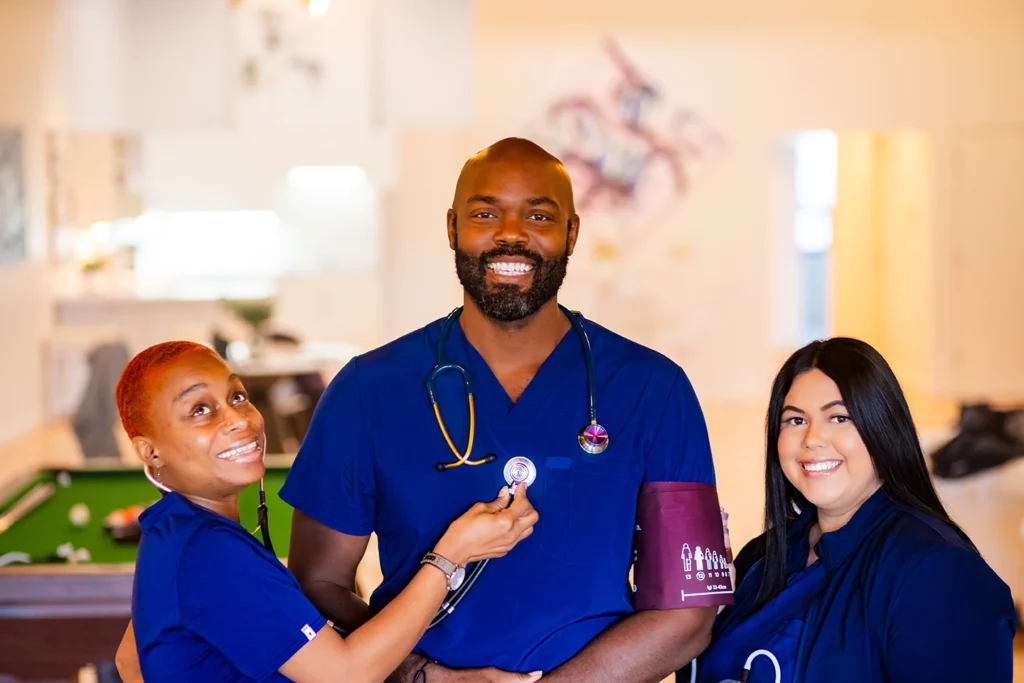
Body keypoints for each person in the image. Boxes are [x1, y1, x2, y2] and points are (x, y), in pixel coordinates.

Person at [280, 137, 733, 683]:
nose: (511, 233)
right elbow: (316, 587)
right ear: (452, 228)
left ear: (571, 233)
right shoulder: (367, 390)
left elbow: (689, 611)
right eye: (485, 213)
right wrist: (425, 677)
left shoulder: (654, 389)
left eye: (539, 215)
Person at [111, 341, 539, 683]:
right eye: (199, 410)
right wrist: (452, 555)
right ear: (151, 453)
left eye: (237, 396)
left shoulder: (169, 527)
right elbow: (347, 674)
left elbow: (131, 660)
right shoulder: (212, 553)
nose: (238, 419)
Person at [695, 337, 1017, 683]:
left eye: (838, 417)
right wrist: (698, 614)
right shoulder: (759, 558)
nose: (813, 439)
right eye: (795, 421)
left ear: (883, 428)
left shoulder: (938, 575)